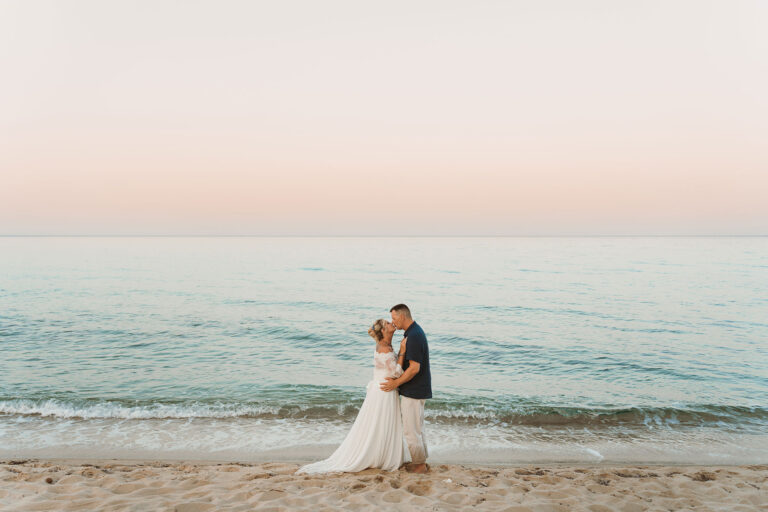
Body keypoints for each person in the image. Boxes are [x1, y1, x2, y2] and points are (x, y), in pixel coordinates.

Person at [296, 319, 408, 474]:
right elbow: (396, 373)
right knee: (379, 423)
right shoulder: (384, 348)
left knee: (380, 424)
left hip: (382, 389)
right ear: (383, 330)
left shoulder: (386, 345)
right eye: (388, 323)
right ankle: (378, 456)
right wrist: (402, 351)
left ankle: (380, 455)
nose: (391, 324)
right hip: (384, 390)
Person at [380, 304, 432, 473]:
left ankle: (419, 465)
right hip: (417, 389)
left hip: (415, 390)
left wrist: (396, 383)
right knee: (417, 428)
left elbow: (414, 368)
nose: (393, 322)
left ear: (402, 316)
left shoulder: (414, 336)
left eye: (394, 318)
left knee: (411, 431)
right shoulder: (413, 332)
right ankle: (421, 461)